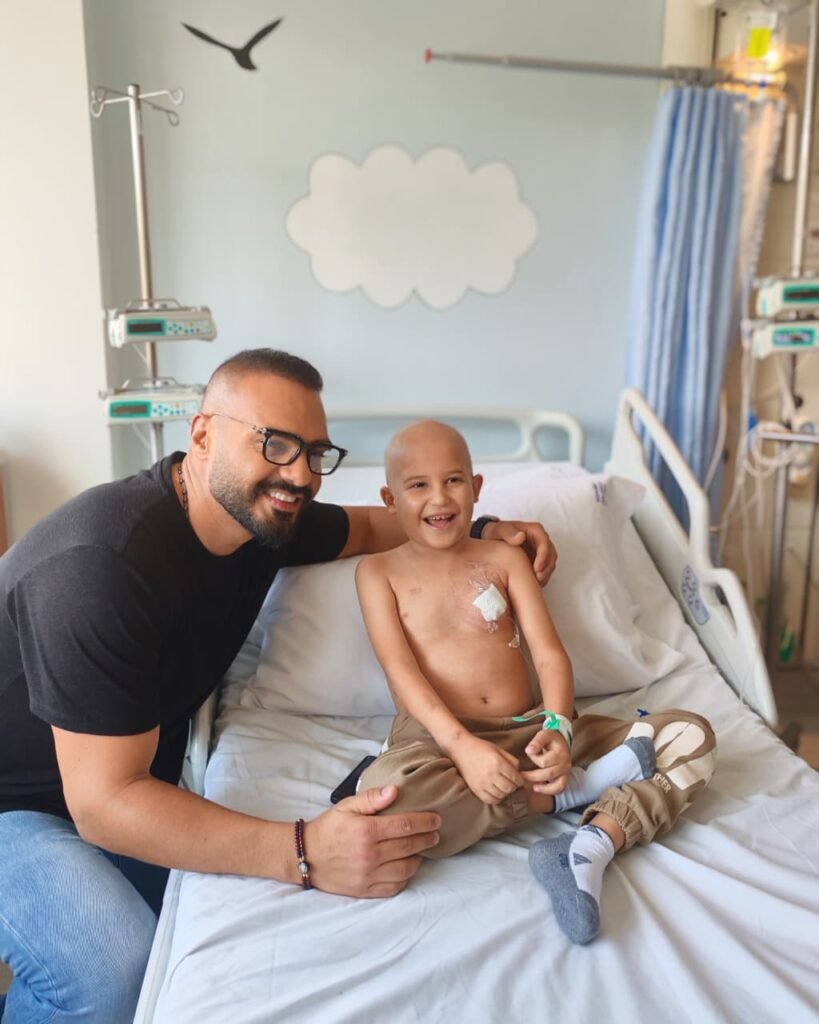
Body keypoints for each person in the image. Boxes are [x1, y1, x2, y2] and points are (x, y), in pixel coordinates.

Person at [0, 350, 558, 1024]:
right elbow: (105, 803)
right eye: (274, 443)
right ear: (202, 434)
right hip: (18, 803)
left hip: (101, 781)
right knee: (112, 971)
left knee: (187, 951)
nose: (300, 474)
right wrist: (303, 851)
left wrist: (481, 532)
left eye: (315, 453)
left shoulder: (263, 520)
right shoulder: (100, 570)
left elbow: (376, 525)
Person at [355, 419, 717, 945]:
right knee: (386, 800)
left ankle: (590, 843)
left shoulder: (504, 559)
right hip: (438, 742)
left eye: (454, 480)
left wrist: (560, 728)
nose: (440, 498)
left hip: (534, 733)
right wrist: (463, 749)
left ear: (476, 488)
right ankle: (574, 796)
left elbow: (549, 655)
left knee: (690, 736)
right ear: (390, 499)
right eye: (418, 485)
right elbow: (400, 671)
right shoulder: (377, 573)